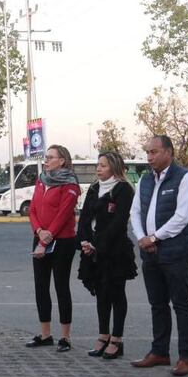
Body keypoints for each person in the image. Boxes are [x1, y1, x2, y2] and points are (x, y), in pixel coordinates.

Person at [129, 135, 188, 377]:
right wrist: (142, 238)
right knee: (157, 304)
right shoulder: (145, 180)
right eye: (147, 152)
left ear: (169, 152)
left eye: (154, 152)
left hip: (176, 251)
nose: (149, 157)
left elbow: (182, 217)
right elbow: (135, 211)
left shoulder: (186, 178)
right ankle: (159, 352)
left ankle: (186, 358)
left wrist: (155, 237)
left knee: (181, 304)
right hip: (149, 251)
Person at [77, 152, 138, 359]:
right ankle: (103, 335)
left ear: (113, 167)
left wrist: (98, 245)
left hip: (114, 251)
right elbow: (84, 217)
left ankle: (117, 339)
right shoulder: (94, 188)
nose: (98, 169)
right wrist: (85, 241)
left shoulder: (123, 190)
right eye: (97, 165)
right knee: (101, 293)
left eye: (102, 165)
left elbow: (118, 223)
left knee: (116, 294)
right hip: (92, 250)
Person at [26, 145, 80, 352]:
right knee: (41, 286)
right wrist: (39, 231)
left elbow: (65, 213)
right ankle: (45, 334)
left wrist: (47, 237)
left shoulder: (70, 183)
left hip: (62, 241)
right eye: (46, 157)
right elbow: (32, 210)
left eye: (50, 157)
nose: (46, 161)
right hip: (40, 237)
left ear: (62, 161)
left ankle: (65, 337)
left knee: (61, 286)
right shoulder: (41, 180)